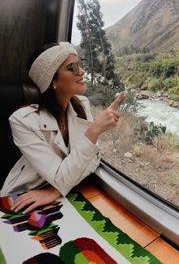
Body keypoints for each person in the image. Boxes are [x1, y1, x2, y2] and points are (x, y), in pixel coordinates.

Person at [1, 42, 124, 213]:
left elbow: (93, 160)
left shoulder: (82, 104)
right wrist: (94, 131)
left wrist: (55, 191)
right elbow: (66, 171)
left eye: (79, 64)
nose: (82, 71)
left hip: (61, 193)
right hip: (23, 198)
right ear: (52, 82)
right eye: (72, 67)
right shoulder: (22, 121)